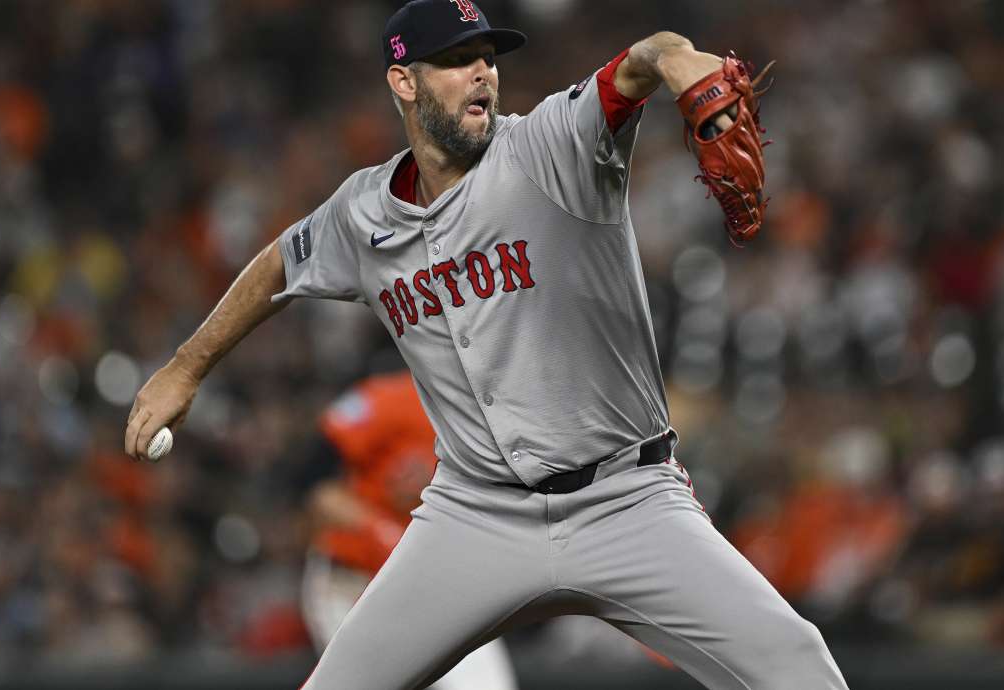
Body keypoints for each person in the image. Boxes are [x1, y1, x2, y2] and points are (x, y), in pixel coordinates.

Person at [125, 1, 849, 687]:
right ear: (403, 82)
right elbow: (281, 262)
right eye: (456, 60)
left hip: (627, 502)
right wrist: (184, 369)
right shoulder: (361, 212)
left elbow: (635, 67)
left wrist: (671, 57)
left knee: (796, 662)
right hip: (474, 516)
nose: (482, 73)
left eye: (487, 57)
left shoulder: (549, 145)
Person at [298, 370, 517, 689]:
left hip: (437, 581)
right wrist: (376, 528)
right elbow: (311, 482)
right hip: (354, 584)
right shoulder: (391, 398)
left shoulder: (504, 417)